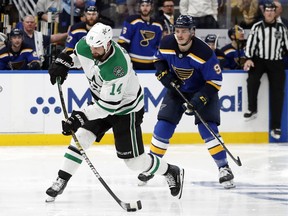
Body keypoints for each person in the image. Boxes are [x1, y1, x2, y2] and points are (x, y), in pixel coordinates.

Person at [45, 22, 184, 202]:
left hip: (126, 110)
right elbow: (79, 57)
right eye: (91, 47)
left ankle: (170, 170)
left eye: (97, 48)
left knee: (134, 163)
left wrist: (81, 116)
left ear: (108, 44)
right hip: (100, 102)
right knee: (80, 138)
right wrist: (65, 62)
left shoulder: (118, 66)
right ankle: (61, 180)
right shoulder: (86, 45)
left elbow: (108, 107)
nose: (93, 51)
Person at [137, 15, 235, 189]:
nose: (179, 35)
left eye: (184, 31)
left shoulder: (204, 52)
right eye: (177, 31)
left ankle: (224, 168)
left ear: (192, 32)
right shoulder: (167, 43)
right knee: (163, 125)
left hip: (203, 90)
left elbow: (215, 81)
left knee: (207, 128)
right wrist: (163, 75)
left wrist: (199, 99)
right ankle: (152, 166)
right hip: (177, 91)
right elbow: (158, 59)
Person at [243, 1, 288, 139]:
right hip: (260, 60)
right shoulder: (257, 27)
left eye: (272, 10)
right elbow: (250, 43)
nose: (269, 13)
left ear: (275, 12)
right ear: (264, 12)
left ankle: (276, 126)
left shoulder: (282, 28)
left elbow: (287, 46)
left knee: (277, 93)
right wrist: (249, 58)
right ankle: (252, 108)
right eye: (267, 10)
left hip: (276, 61)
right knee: (252, 80)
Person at [118, 0, 163, 70]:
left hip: (152, 63)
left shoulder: (158, 25)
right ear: (139, 7)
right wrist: (126, 61)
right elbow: (123, 43)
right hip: (134, 62)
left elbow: (159, 46)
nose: (145, 8)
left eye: (147, 5)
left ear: (151, 7)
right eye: (143, 5)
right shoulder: (131, 21)